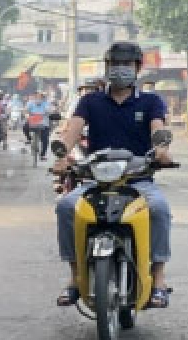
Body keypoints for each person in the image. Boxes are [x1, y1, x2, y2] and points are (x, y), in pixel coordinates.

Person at [54, 41, 174, 308]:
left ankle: (158, 278)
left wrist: (161, 150)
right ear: (107, 67)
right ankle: (75, 278)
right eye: (115, 63)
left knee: (159, 209)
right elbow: (72, 132)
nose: (120, 69)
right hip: (96, 181)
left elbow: (158, 129)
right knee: (65, 207)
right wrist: (62, 157)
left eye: (126, 64)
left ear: (137, 68)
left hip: (138, 181)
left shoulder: (151, 101)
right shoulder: (90, 101)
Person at [25, 91, 51, 158]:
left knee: (45, 139)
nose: (38, 98)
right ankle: (29, 139)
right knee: (25, 127)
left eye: (40, 97)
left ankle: (43, 155)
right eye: (37, 96)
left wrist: (48, 111)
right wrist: (27, 115)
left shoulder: (46, 103)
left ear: (42, 97)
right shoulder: (30, 103)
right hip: (33, 120)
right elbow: (26, 111)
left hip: (44, 122)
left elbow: (49, 111)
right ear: (35, 96)